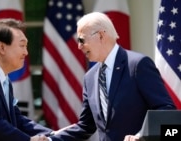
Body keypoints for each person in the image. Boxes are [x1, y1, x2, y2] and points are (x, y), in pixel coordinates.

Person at [50, 12, 176, 141]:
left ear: (100, 35)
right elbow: (86, 126)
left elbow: (166, 110)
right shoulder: (89, 78)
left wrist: (141, 136)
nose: (79, 46)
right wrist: (50, 139)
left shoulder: (137, 65)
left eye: (81, 40)